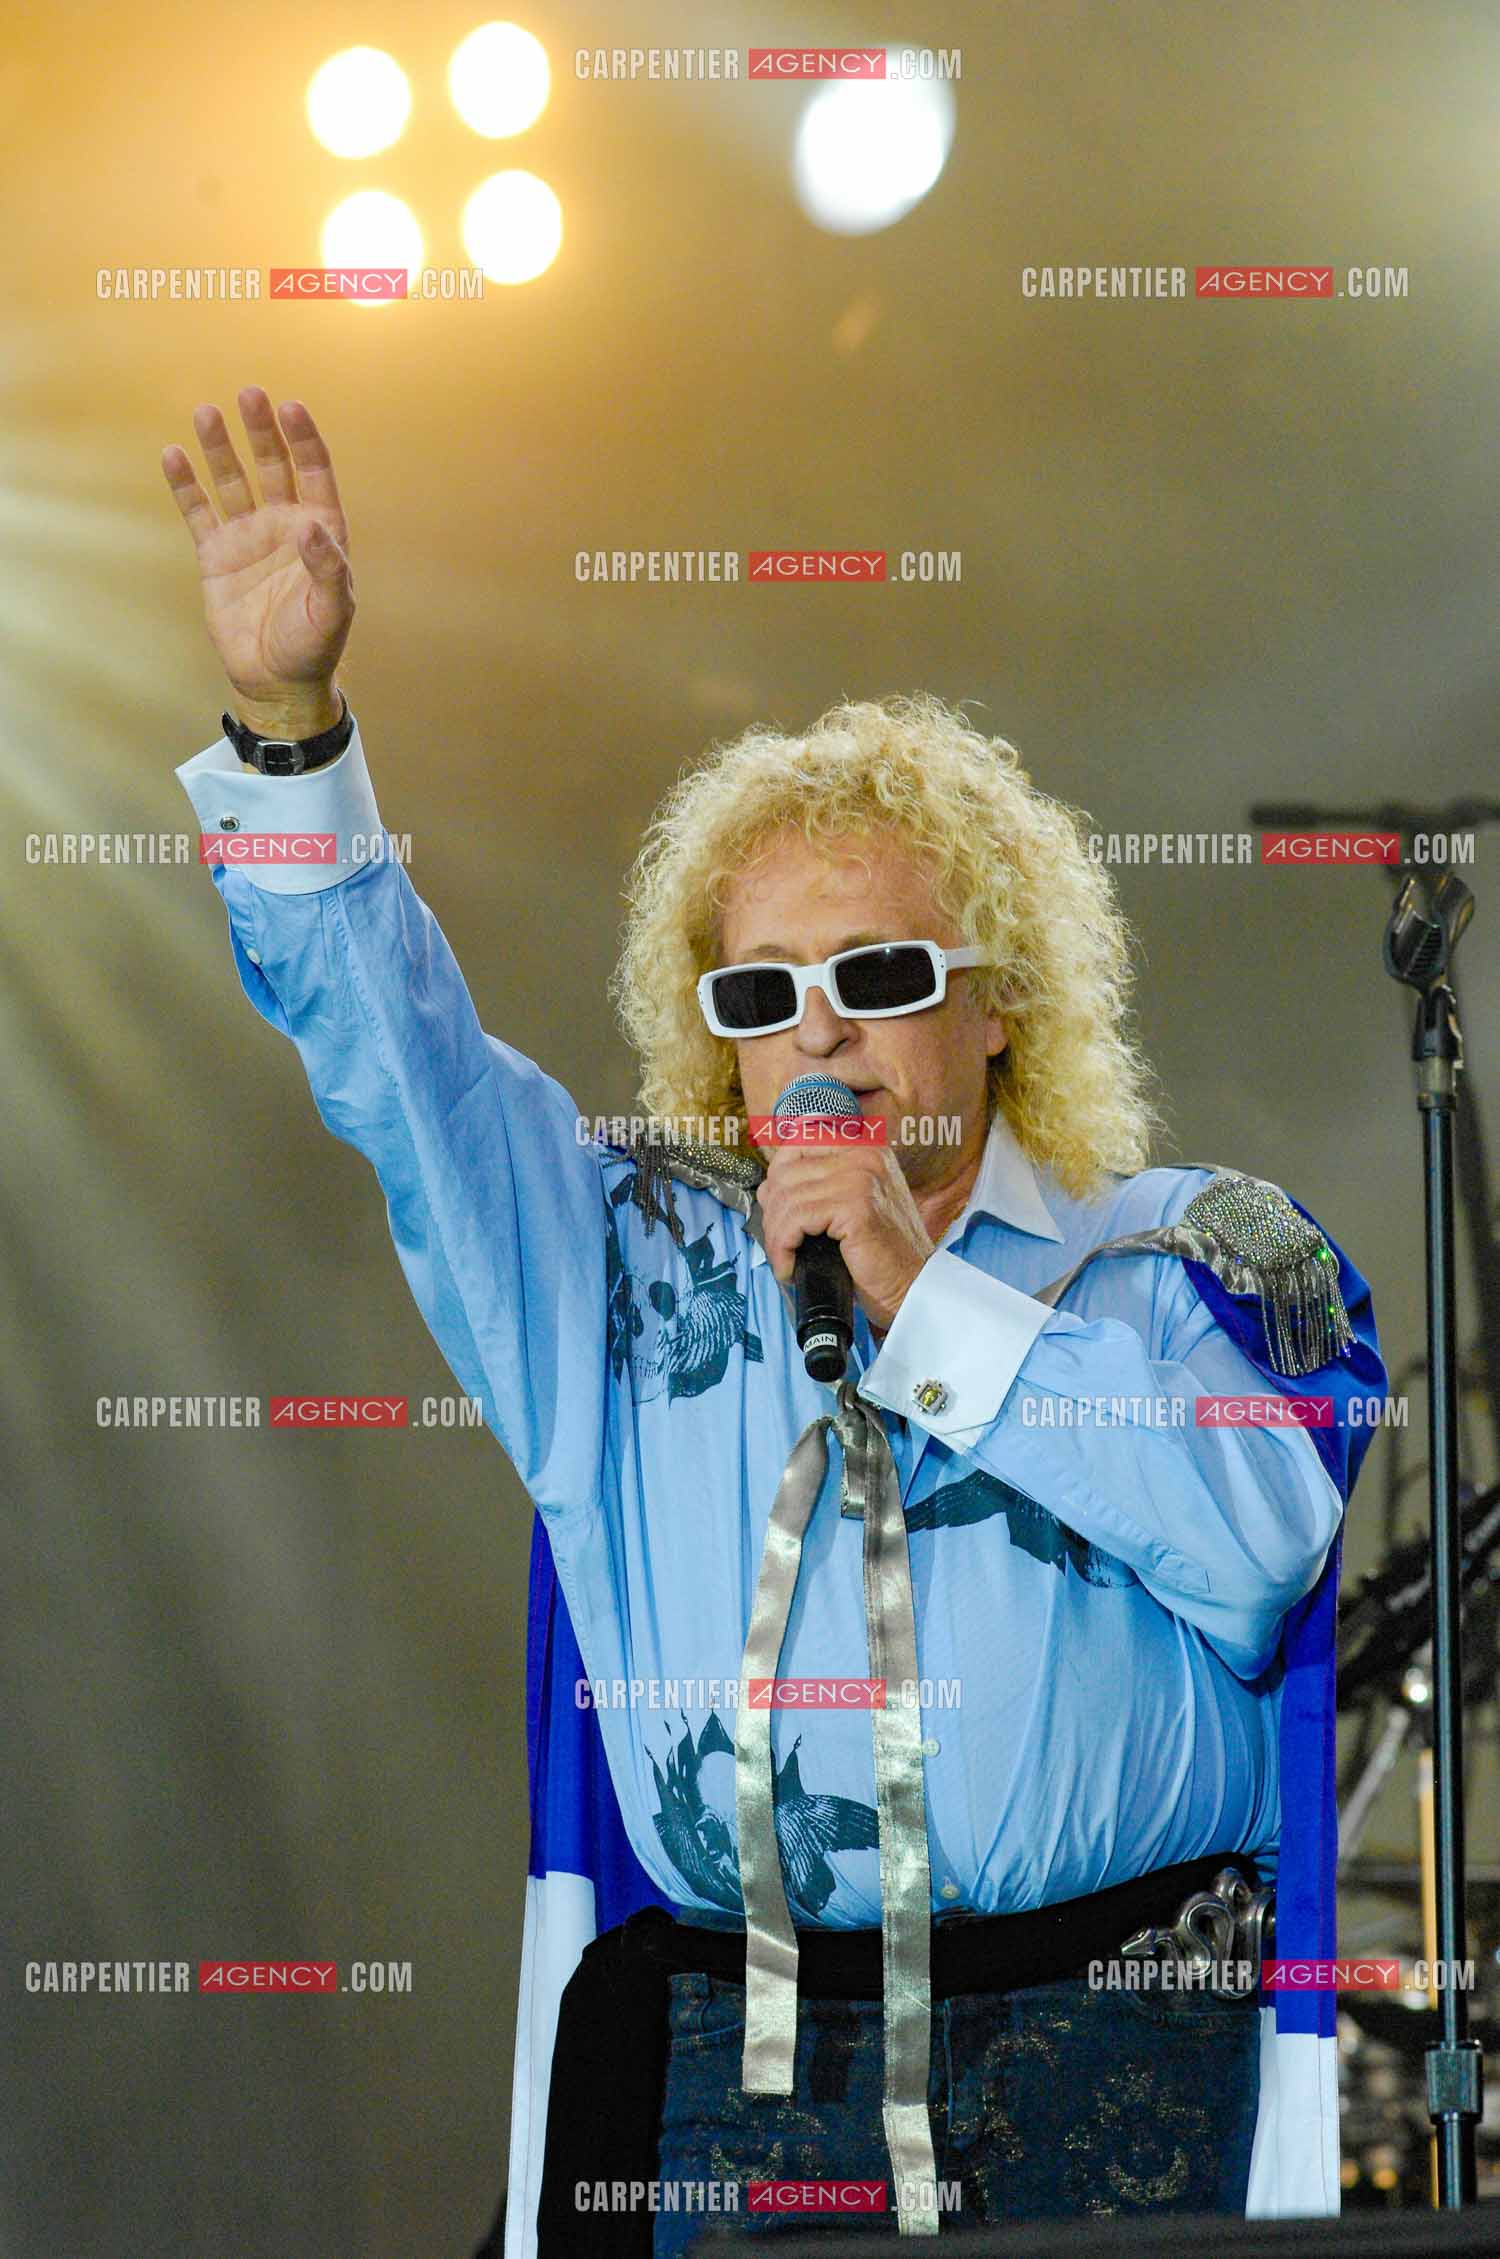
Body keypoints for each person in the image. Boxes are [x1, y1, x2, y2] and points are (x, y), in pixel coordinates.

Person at [163, 388, 1386, 2256]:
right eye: (761, 992)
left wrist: (922, 1292)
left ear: (1001, 1000)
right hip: (741, 2071)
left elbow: (1261, 1551)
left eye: (876, 975)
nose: (816, 1029)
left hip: (1118, 2053)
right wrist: (291, 733)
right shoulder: (610, 1263)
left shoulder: (1174, 1258)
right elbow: (395, 1066)